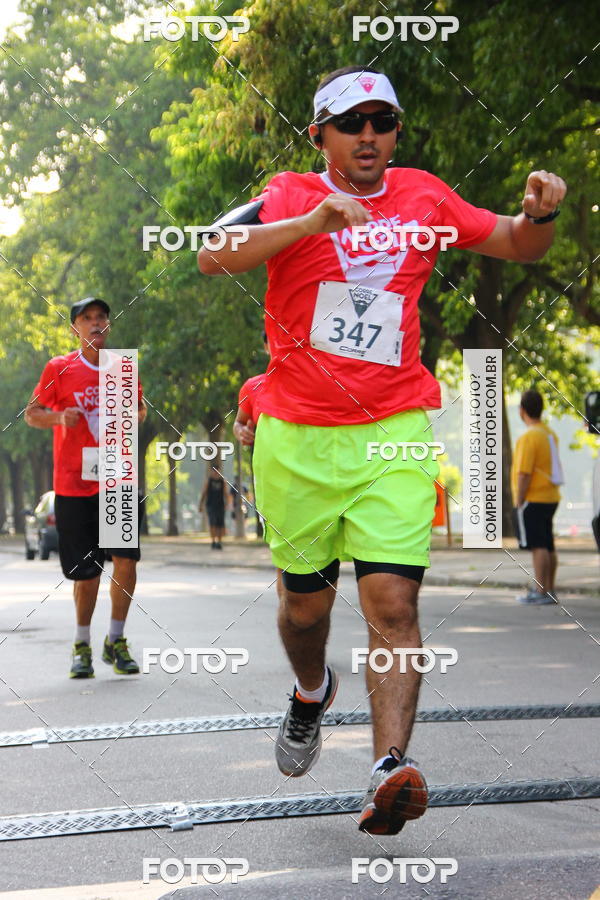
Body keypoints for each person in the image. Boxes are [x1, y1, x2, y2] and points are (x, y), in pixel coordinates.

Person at [198, 65, 566, 835]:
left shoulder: (425, 197)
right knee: (304, 611)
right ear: (319, 136)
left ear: (395, 133)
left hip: (393, 428)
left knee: (393, 604)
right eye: (351, 122)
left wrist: (541, 215)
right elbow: (212, 253)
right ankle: (311, 693)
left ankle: (387, 769)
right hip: (297, 436)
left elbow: (516, 242)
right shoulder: (287, 194)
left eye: (382, 121)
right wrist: (310, 224)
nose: (368, 135)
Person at [25, 297, 146, 678]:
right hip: (74, 484)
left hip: (117, 478)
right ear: (75, 327)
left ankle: (116, 639)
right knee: (87, 572)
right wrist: (60, 417)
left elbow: (140, 408)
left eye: (101, 317)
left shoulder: (121, 367)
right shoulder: (59, 368)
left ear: (108, 324)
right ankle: (81, 645)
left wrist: (132, 416)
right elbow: (32, 414)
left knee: (126, 561)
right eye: (87, 318)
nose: (96, 324)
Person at [511, 390, 563, 604]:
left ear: (522, 410)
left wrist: (519, 499)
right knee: (548, 545)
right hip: (551, 496)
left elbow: (524, 472)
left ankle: (540, 591)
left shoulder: (529, 437)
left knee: (538, 545)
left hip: (534, 497)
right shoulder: (549, 433)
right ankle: (549, 589)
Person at [199, 461, 228, 549]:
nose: (215, 473)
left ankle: (219, 542)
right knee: (212, 524)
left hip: (220, 505)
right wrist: (201, 504)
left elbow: (226, 494)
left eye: (217, 471)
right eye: (214, 471)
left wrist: (227, 503)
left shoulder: (222, 481)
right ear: (212, 471)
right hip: (210, 505)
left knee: (220, 525)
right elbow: (204, 493)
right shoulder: (209, 481)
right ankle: (213, 541)